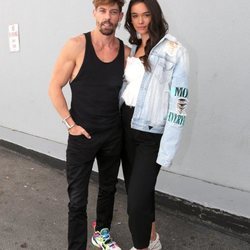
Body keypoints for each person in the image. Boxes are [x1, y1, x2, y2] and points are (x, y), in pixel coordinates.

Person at [48, 0, 130, 249]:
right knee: (77, 200)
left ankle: (101, 233)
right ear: (94, 12)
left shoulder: (125, 53)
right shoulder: (76, 46)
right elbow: (54, 87)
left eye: (113, 12)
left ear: (120, 16)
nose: (108, 17)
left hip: (112, 134)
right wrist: (70, 123)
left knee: (108, 189)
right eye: (103, 11)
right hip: (82, 135)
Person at [120, 0, 189, 249]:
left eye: (146, 15)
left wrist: (168, 148)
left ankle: (140, 246)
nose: (140, 21)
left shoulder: (174, 50)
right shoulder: (134, 46)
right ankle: (152, 240)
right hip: (126, 127)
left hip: (151, 134)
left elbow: (180, 102)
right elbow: (129, 88)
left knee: (136, 203)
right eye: (135, 16)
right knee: (140, 192)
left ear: (155, 15)